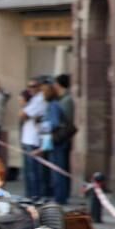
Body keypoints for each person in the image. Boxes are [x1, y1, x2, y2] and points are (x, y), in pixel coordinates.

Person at [19, 76, 49, 200]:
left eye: (33, 86)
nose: (30, 89)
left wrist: (23, 105)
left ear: (40, 87)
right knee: (29, 170)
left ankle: (35, 195)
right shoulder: (34, 99)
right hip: (28, 138)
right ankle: (30, 194)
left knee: (33, 171)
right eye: (29, 86)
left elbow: (23, 115)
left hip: (33, 139)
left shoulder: (40, 99)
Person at [51, 74, 76, 204]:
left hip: (62, 139)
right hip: (59, 138)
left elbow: (65, 121)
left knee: (60, 168)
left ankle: (61, 196)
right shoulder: (61, 99)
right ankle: (59, 195)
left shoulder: (66, 100)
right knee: (58, 167)